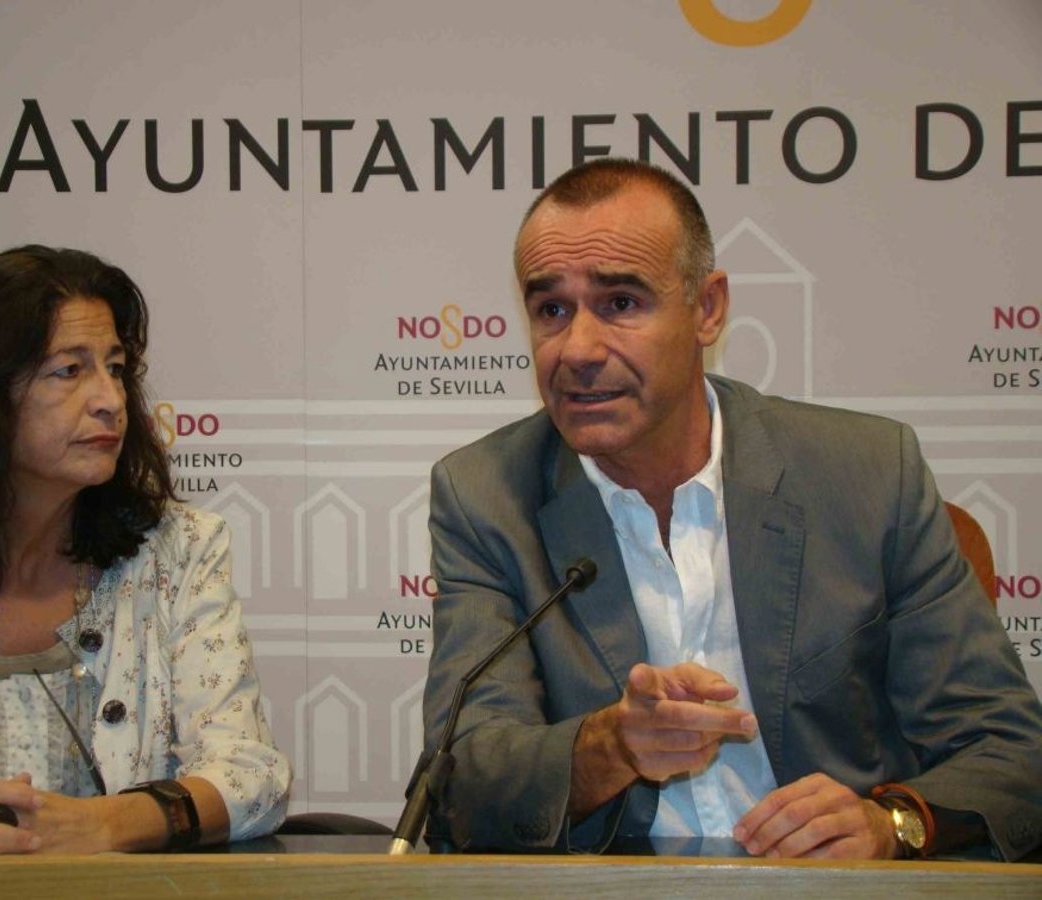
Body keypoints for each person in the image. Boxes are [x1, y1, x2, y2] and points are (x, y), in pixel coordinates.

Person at [423, 159, 1042, 860]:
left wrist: (889, 825)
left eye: (620, 303)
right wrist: (611, 746)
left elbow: (1009, 750)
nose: (578, 349)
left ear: (707, 308)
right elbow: (462, 781)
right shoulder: (486, 496)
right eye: (552, 310)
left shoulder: (869, 475)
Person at [0, 246, 291, 856]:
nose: (111, 399)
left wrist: (101, 824)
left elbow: (250, 777)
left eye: (116, 368)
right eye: (69, 370)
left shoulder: (180, 551)